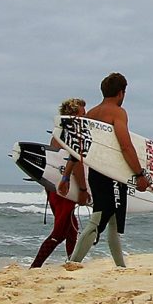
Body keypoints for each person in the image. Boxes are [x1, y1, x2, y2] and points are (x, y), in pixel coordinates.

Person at [69, 72, 150, 267]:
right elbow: (125, 145)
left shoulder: (91, 114)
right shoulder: (117, 112)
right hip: (112, 175)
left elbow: (80, 149)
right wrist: (139, 174)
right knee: (98, 219)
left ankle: (120, 266)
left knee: (113, 222)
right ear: (121, 93)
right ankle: (73, 262)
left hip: (98, 173)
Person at [30, 98, 89, 268]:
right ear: (72, 116)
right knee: (61, 231)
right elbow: (75, 162)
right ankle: (35, 266)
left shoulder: (57, 133)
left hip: (54, 186)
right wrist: (83, 190)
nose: (85, 119)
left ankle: (72, 262)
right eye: (82, 115)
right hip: (64, 187)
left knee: (71, 228)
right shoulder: (72, 135)